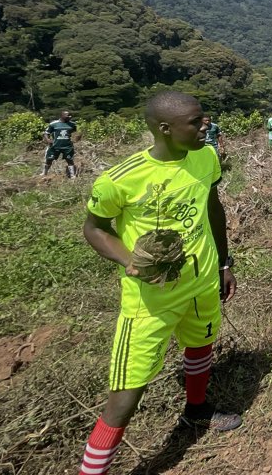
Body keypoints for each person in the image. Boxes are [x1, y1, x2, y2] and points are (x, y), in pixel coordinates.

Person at [76, 92, 240, 475]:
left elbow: (213, 207)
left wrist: (224, 262)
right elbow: (94, 228)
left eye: (205, 119)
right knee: (127, 390)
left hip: (200, 279)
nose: (206, 126)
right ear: (164, 129)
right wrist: (129, 259)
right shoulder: (120, 180)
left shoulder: (207, 157)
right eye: (196, 122)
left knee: (201, 343)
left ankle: (196, 410)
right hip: (151, 295)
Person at [43, 110, 78, 178]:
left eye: (70, 115)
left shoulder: (72, 124)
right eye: (68, 115)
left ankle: (72, 176)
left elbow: (75, 133)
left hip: (67, 146)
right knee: (49, 159)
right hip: (55, 146)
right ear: (62, 116)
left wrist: (75, 139)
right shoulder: (54, 124)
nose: (70, 117)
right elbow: (46, 133)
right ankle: (44, 173)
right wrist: (48, 140)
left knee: (69, 160)